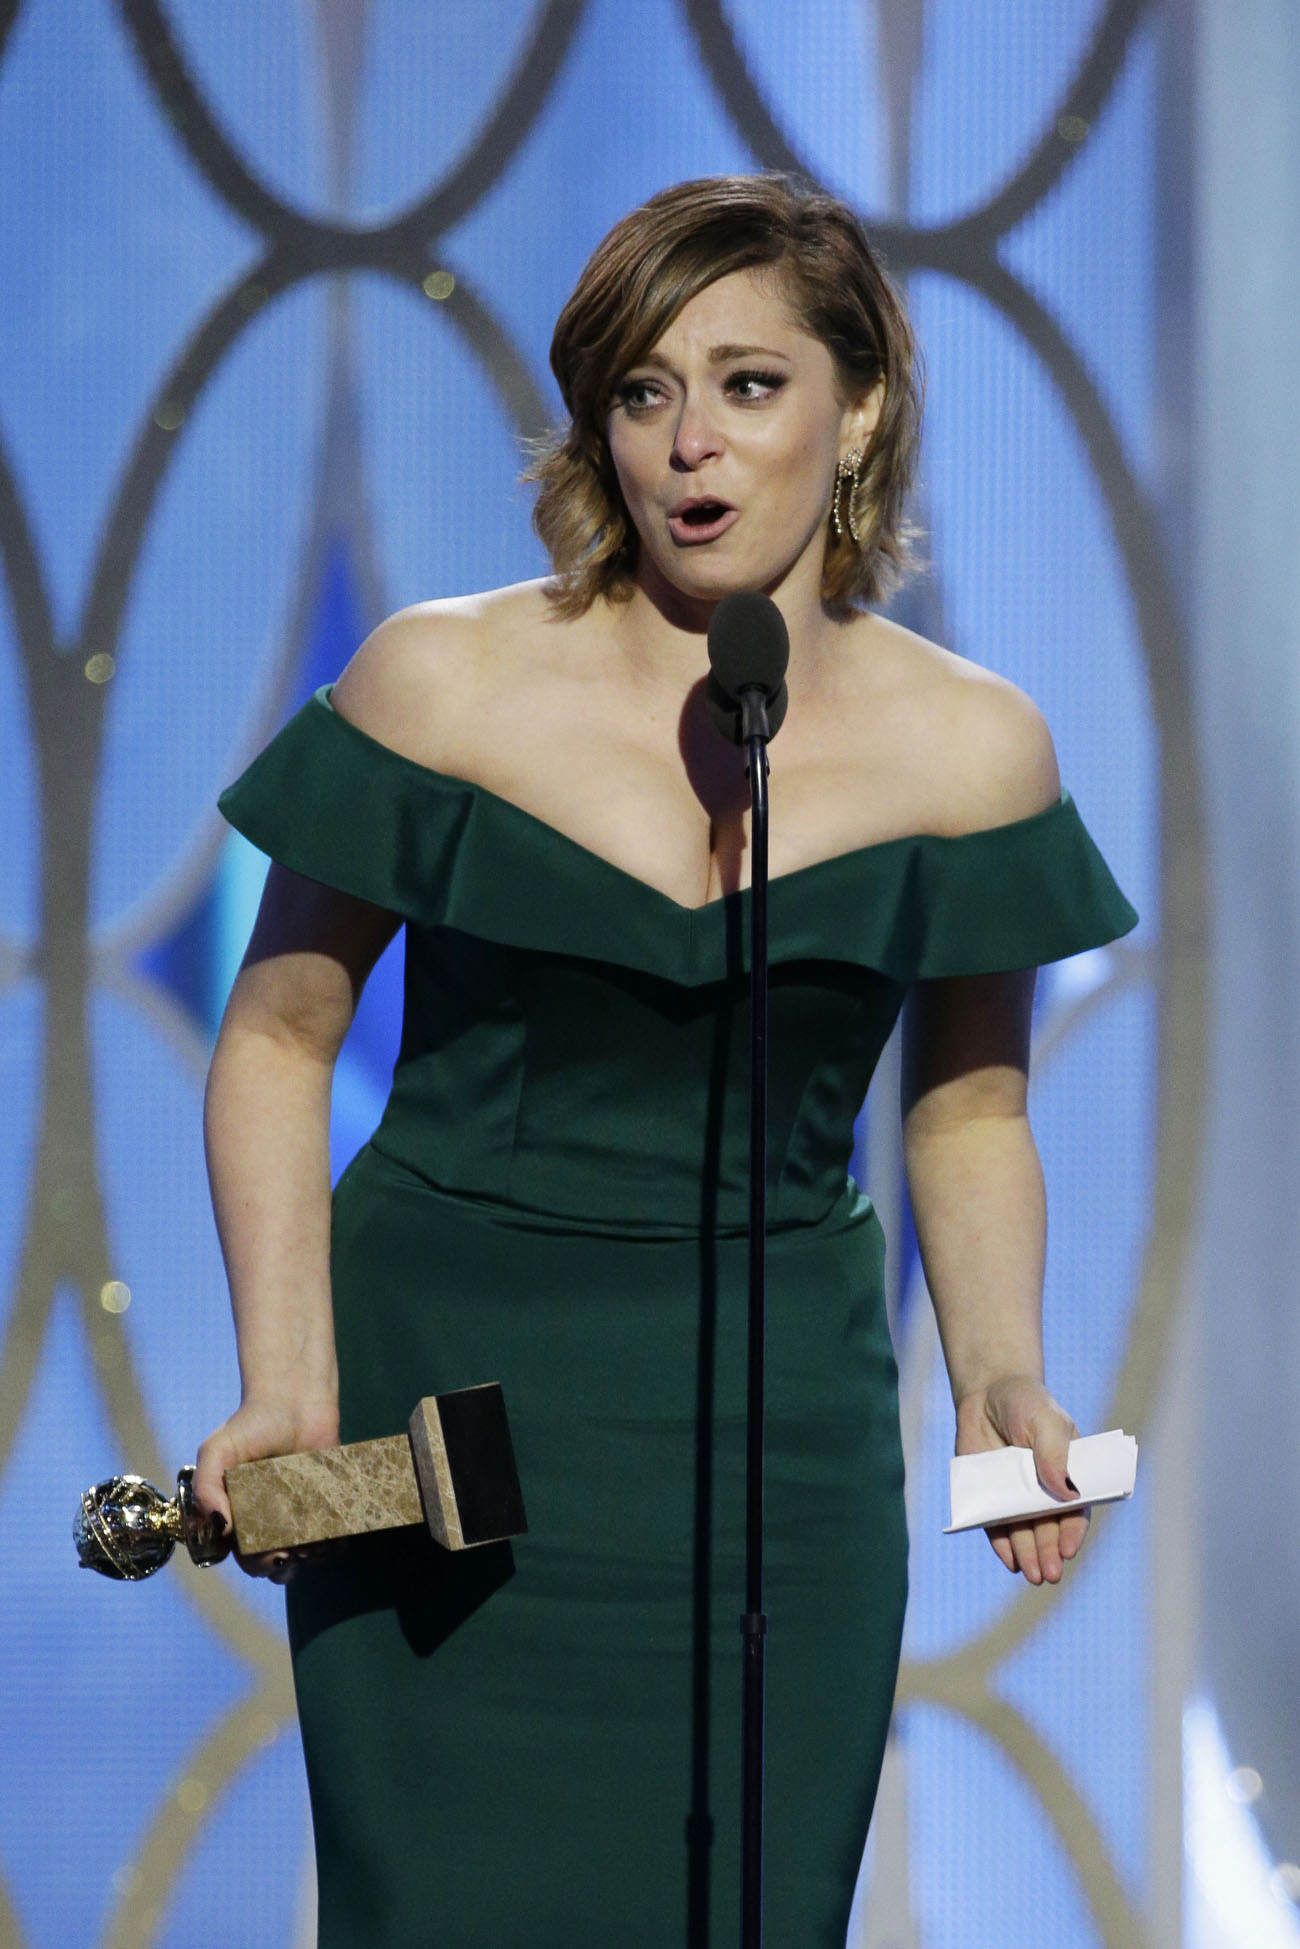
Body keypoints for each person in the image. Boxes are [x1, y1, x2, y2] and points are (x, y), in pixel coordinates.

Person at [195, 174, 1135, 1947]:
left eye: (750, 385)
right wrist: (287, 1382)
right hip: (447, 1429)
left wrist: (1003, 1380)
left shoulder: (973, 747)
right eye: (644, 390)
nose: (691, 444)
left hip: (777, 1465)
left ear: (858, 409)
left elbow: (971, 1101)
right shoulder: (443, 682)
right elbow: (275, 1031)